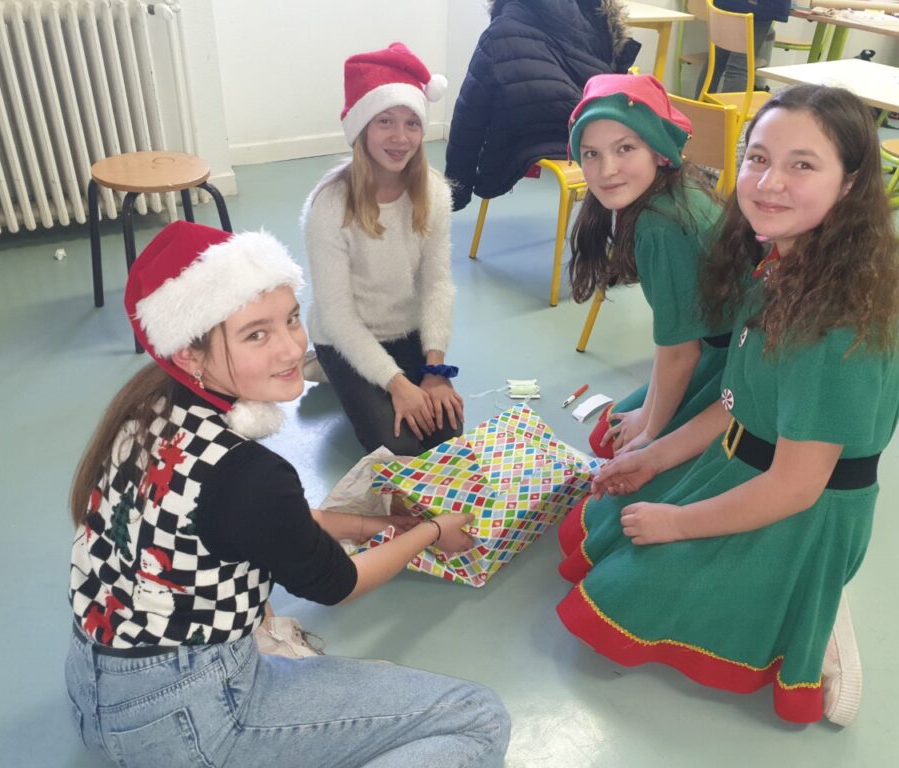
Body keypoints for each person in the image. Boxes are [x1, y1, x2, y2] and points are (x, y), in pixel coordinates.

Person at [66, 221, 511, 767]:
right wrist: (432, 531)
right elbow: (340, 584)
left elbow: (270, 524)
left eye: (292, 319)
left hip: (96, 692)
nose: (292, 347)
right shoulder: (250, 474)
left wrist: (374, 527)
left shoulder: (145, 410)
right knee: (479, 717)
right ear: (190, 355)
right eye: (256, 334)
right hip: (190, 721)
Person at [557, 85, 899, 726]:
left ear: (850, 184)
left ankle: (815, 605)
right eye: (758, 158)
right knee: (612, 522)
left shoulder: (835, 327)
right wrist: (655, 455)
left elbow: (796, 488)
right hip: (750, 457)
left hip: (802, 507)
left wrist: (677, 523)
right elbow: (734, 401)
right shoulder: (778, 262)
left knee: (615, 600)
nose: (769, 182)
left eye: (802, 165)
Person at [303, 42, 464, 455]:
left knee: (446, 434)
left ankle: (375, 378)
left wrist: (435, 370)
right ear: (361, 128)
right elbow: (337, 315)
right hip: (343, 336)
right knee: (400, 448)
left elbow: (437, 285)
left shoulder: (434, 192)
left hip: (405, 331)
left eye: (412, 123)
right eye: (385, 121)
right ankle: (329, 368)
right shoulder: (328, 205)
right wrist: (396, 384)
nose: (400, 137)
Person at [566, 73, 726, 468]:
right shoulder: (670, 191)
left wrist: (651, 431)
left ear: (658, 151)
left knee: (615, 446)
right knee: (605, 438)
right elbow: (675, 346)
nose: (607, 170)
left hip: (734, 367)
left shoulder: (661, 225)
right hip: (712, 349)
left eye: (625, 148)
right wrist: (646, 415)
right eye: (591, 154)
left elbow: (681, 354)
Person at [445, 0, 640, 211]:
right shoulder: (594, 16)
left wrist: (457, 189)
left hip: (527, 136)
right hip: (593, 127)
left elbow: (469, 112)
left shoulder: (502, 29)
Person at [695, 0, 788, 98]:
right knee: (738, 66)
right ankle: (730, 107)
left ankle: (701, 106)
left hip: (726, 4)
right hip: (757, 7)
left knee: (715, 63)